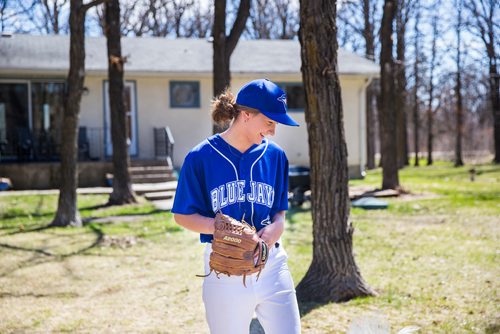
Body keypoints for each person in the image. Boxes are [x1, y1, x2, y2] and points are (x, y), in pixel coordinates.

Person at [172, 79, 301, 334]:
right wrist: (221, 228)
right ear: (245, 115)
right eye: (269, 122)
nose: (273, 130)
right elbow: (182, 215)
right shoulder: (200, 157)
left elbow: (279, 211)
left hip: (272, 263)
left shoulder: (276, 156)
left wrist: (278, 226)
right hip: (224, 269)